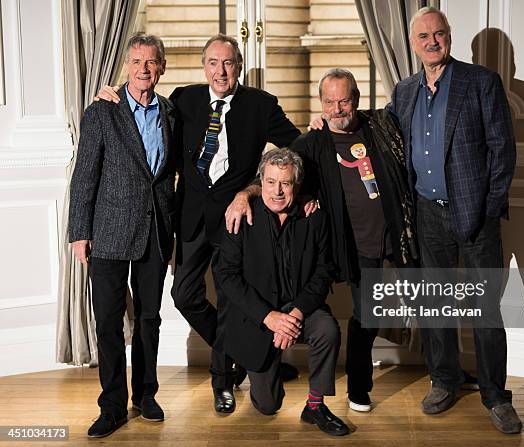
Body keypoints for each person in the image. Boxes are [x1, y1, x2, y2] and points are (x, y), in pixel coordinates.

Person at [97, 34, 301, 413]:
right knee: (184, 295)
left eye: (227, 63)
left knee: (228, 301)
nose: (220, 71)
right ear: (203, 66)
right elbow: (145, 128)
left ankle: (223, 384)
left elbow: (295, 150)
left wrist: (253, 191)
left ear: (238, 66)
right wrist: (107, 98)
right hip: (189, 217)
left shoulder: (260, 105)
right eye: (212, 63)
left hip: (236, 219)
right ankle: (244, 351)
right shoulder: (183, 100)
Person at [237, 68, 418, 413]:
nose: (338, 109)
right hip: (345, 247)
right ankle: (344, 385)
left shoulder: (380, 128)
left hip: (389, 238)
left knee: (381, 312)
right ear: (321, 104)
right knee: (358, 314)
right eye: (330, 102)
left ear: (357, 100)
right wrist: (244, 195)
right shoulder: (311, 143)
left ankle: (378, 383)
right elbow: (275, 173)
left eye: (344, 101)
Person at [388, 7, 521, 434]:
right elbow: (384, 134)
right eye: (424, 36)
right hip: (427, 213)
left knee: (485, 310)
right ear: (413, 44)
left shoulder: (480, 82)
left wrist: (487, 207)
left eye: (439, 33)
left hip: (475, 215)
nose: (432, 41)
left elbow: (503, 150)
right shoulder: (405, 90)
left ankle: (496, 396)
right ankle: (444, 381)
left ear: (450, 36)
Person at [69, 33, 175, 438]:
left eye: (150, 62)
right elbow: (85, 175)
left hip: (154, 230)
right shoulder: (102, 111)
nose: (143, 69)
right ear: (127, 66)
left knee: (149, 319)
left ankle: (145, 394)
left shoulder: (170, 111)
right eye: (136, 62)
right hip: (108, 231)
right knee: (109, 322)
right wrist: (80, 232)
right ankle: (112, 405)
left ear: (161, 67)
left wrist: (173, 235)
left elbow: (168, 179)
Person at [216, 148, 349, 436]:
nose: (277, 191)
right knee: (267, 405)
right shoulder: (241, 216)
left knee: (327, 329)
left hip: (300, 307)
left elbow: (323, 271)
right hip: (258, 314)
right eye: (271, 182)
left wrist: (296, 312)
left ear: (296, 185)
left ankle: (315, 406)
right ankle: (259, 366)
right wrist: (269, 317)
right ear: (259, 183)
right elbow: (227, 276)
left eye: (285, 183)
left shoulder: (314, 217)